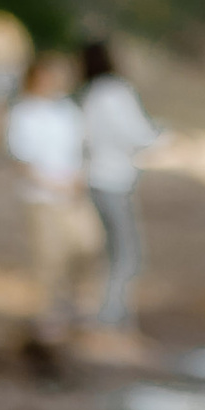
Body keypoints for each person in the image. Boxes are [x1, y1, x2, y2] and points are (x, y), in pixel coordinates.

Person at [3, 49, 89, 348]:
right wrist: (52, 184)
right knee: (49, 258)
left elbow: (79, 147)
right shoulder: (23, 113)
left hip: (72, 192)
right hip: (41, 195)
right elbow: (22, 160)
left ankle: (72, 305)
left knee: (86, 246)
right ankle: (49, 318)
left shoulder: (67, 110)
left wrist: (79, 178)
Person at [78, 37, 158, 348]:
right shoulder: (115, 92)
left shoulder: (90, 94)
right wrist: (164, 139)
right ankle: (112, 316)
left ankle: (114, 314)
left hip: (95, 178)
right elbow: (135, 133)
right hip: (115, 179)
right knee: (127, 253)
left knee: (114, 249)